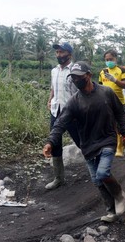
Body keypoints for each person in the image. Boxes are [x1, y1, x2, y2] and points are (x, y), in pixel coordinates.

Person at [43, 61, 125, 223]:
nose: (76, 81)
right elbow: (60, 123)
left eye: (79, 77)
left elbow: (120, 113)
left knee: (102, 173)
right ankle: (111, 211)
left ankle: (119, 193)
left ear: (89, 76)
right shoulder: (74, 102)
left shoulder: (106, 92)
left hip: (107, 139)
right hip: (88, 144)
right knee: (97, 180)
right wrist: (50, 141)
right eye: (73, 79)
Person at [45, 42, 81, 190]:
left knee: (81, 141)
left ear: (69, 54)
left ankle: (98, 170)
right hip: (55, 111)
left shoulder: (74, 70)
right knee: (55, 143)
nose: (59, 55)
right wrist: (50, 100)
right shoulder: (54, 71)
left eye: (62, 52)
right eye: (57, 52)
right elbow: (53, 87)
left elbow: (80, 91)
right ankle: (59, 178)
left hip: (71, 112)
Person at [99, 49, 125, 157]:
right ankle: (109, 146)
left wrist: (114, 80)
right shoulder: (102, 72)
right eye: (107, 60)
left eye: (111, 59)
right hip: (105, 102)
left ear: (116, 58)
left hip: (119, 102)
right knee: (107, 125)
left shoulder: (122, 70)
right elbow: (99, 87)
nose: (109, 61)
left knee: (119, 126)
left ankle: (120, 147)